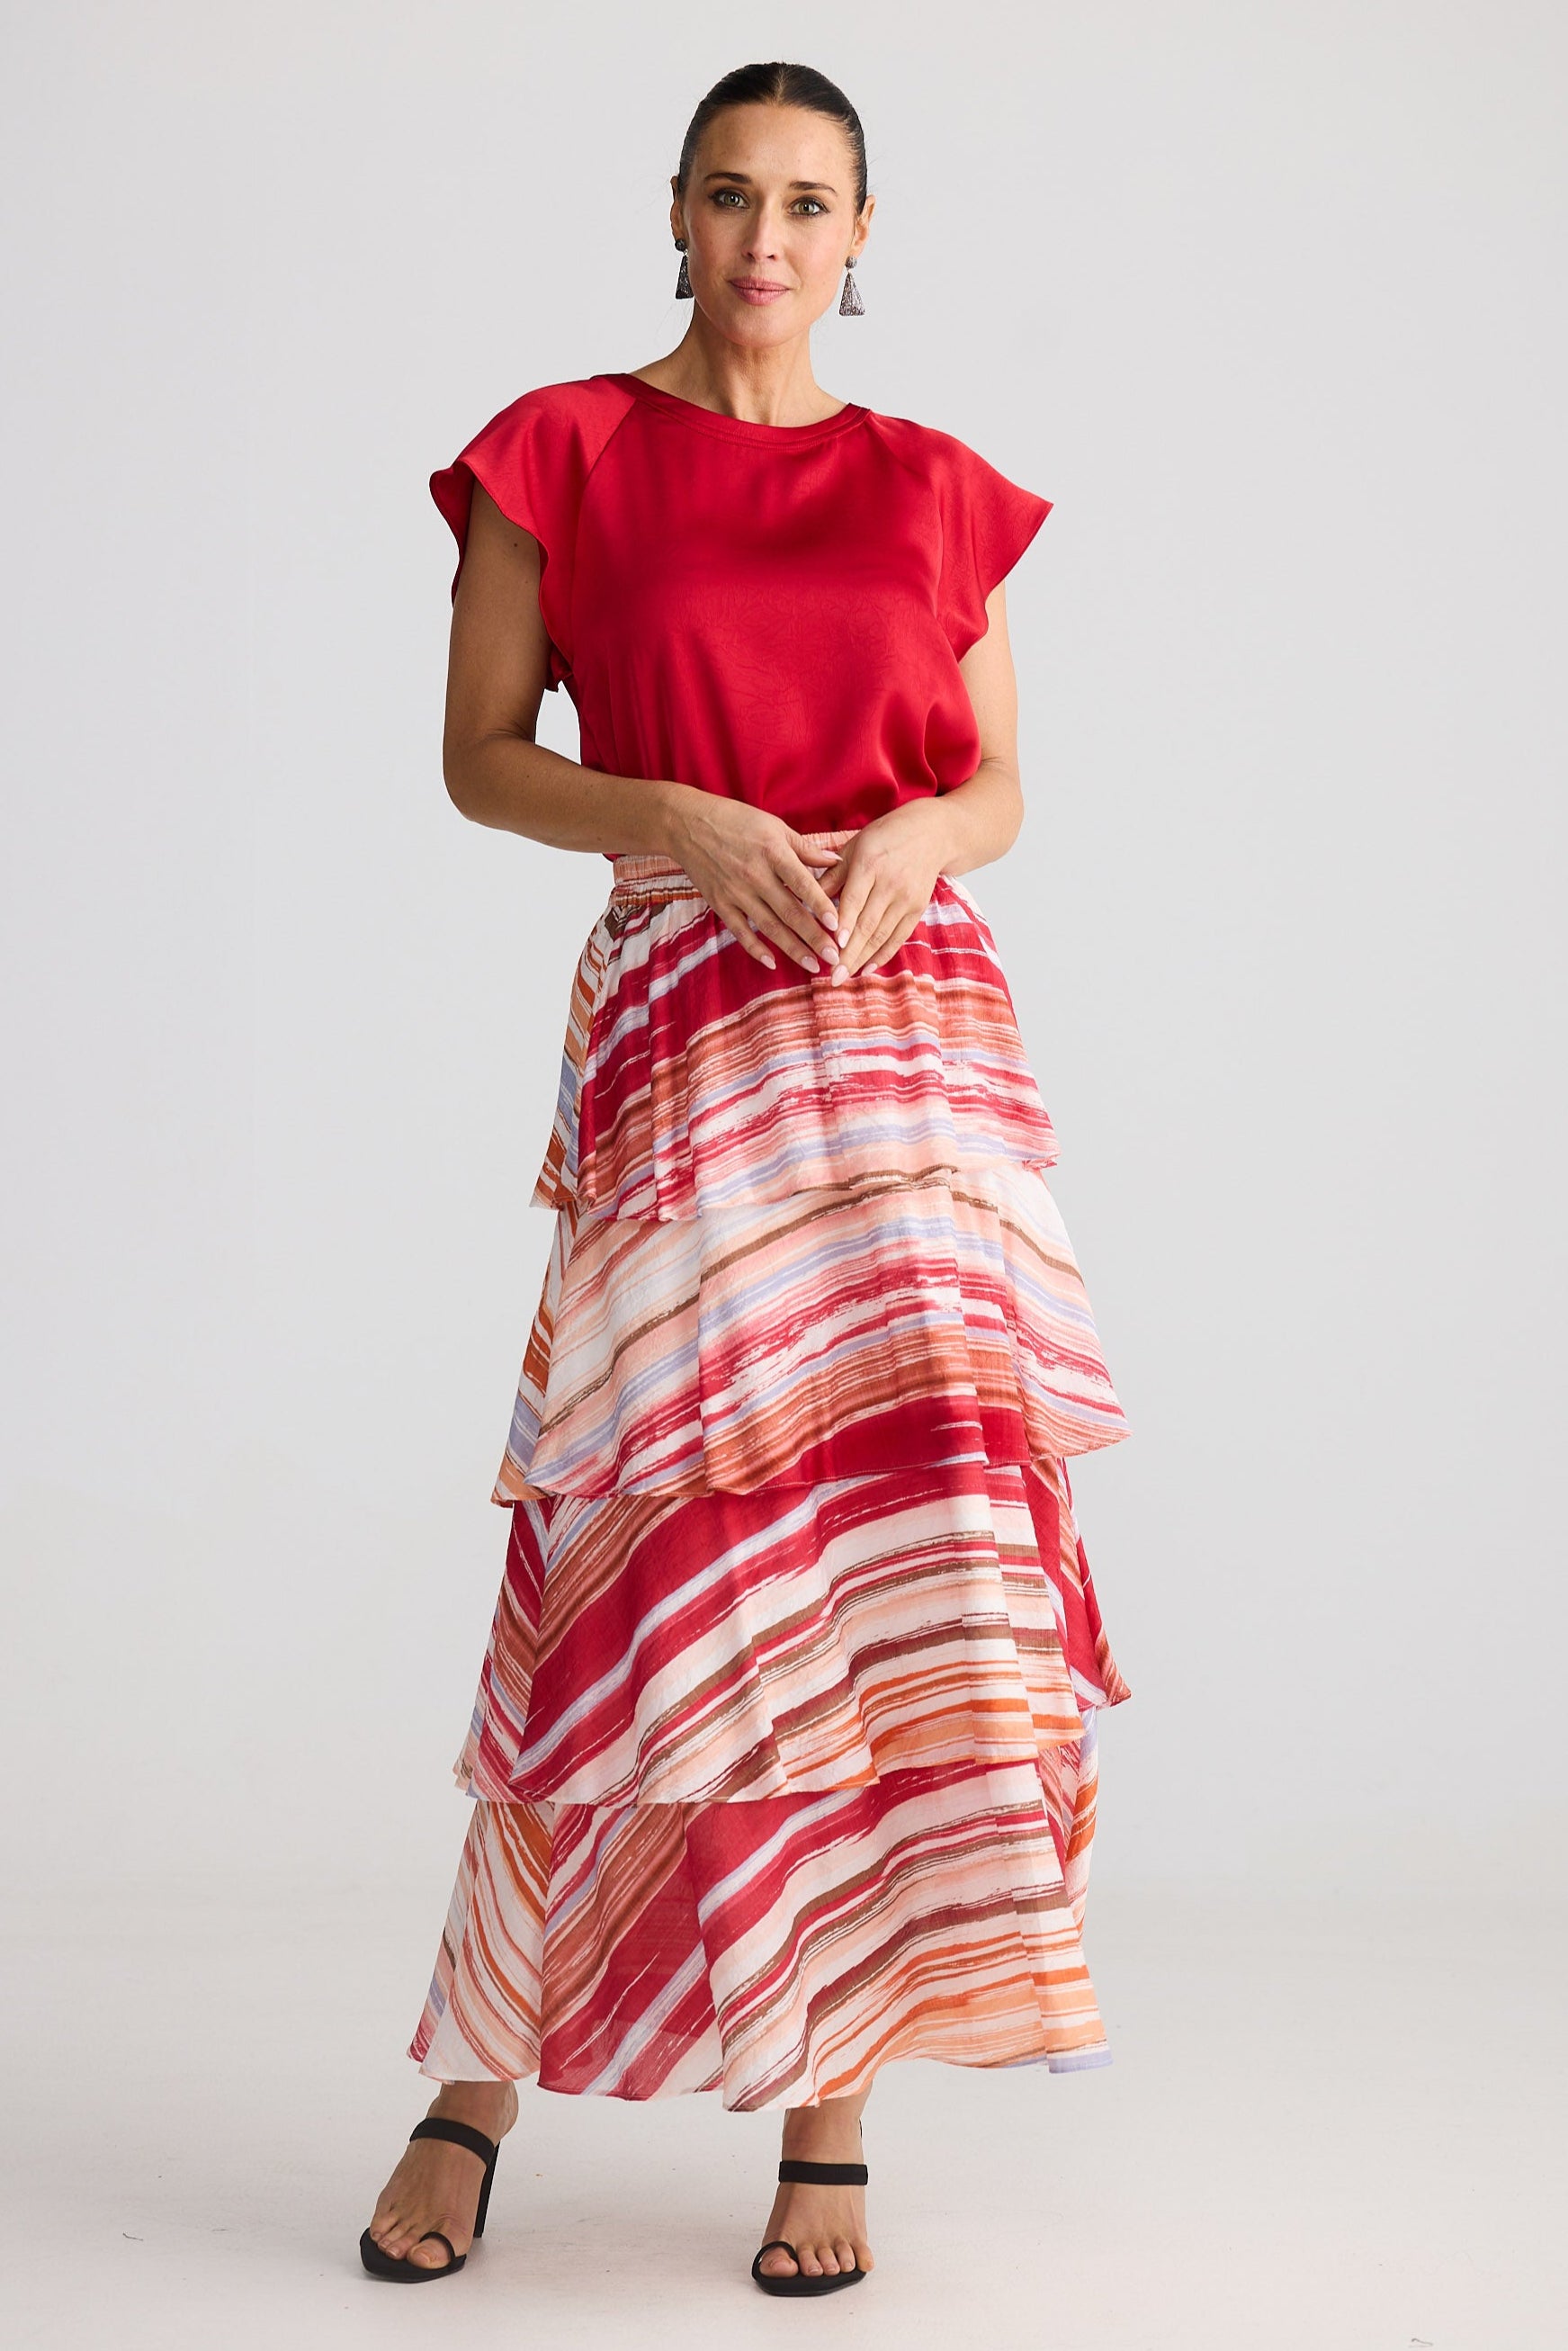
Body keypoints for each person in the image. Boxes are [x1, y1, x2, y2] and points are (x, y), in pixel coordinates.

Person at [359, 58, 1131, 2299]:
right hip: (690, 1025)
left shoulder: (930, 484)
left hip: (909, 1043)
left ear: (863, 231)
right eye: (728, 195)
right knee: (633, 1545)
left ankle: (832, 2114)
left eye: (808, 202)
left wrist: (910, 831)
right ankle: (471, 2078)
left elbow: (991, 785)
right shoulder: (561, 451)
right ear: (674, 214)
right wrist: (677, 814)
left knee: (888, 1555)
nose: (767, 236)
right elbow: (480, 759)